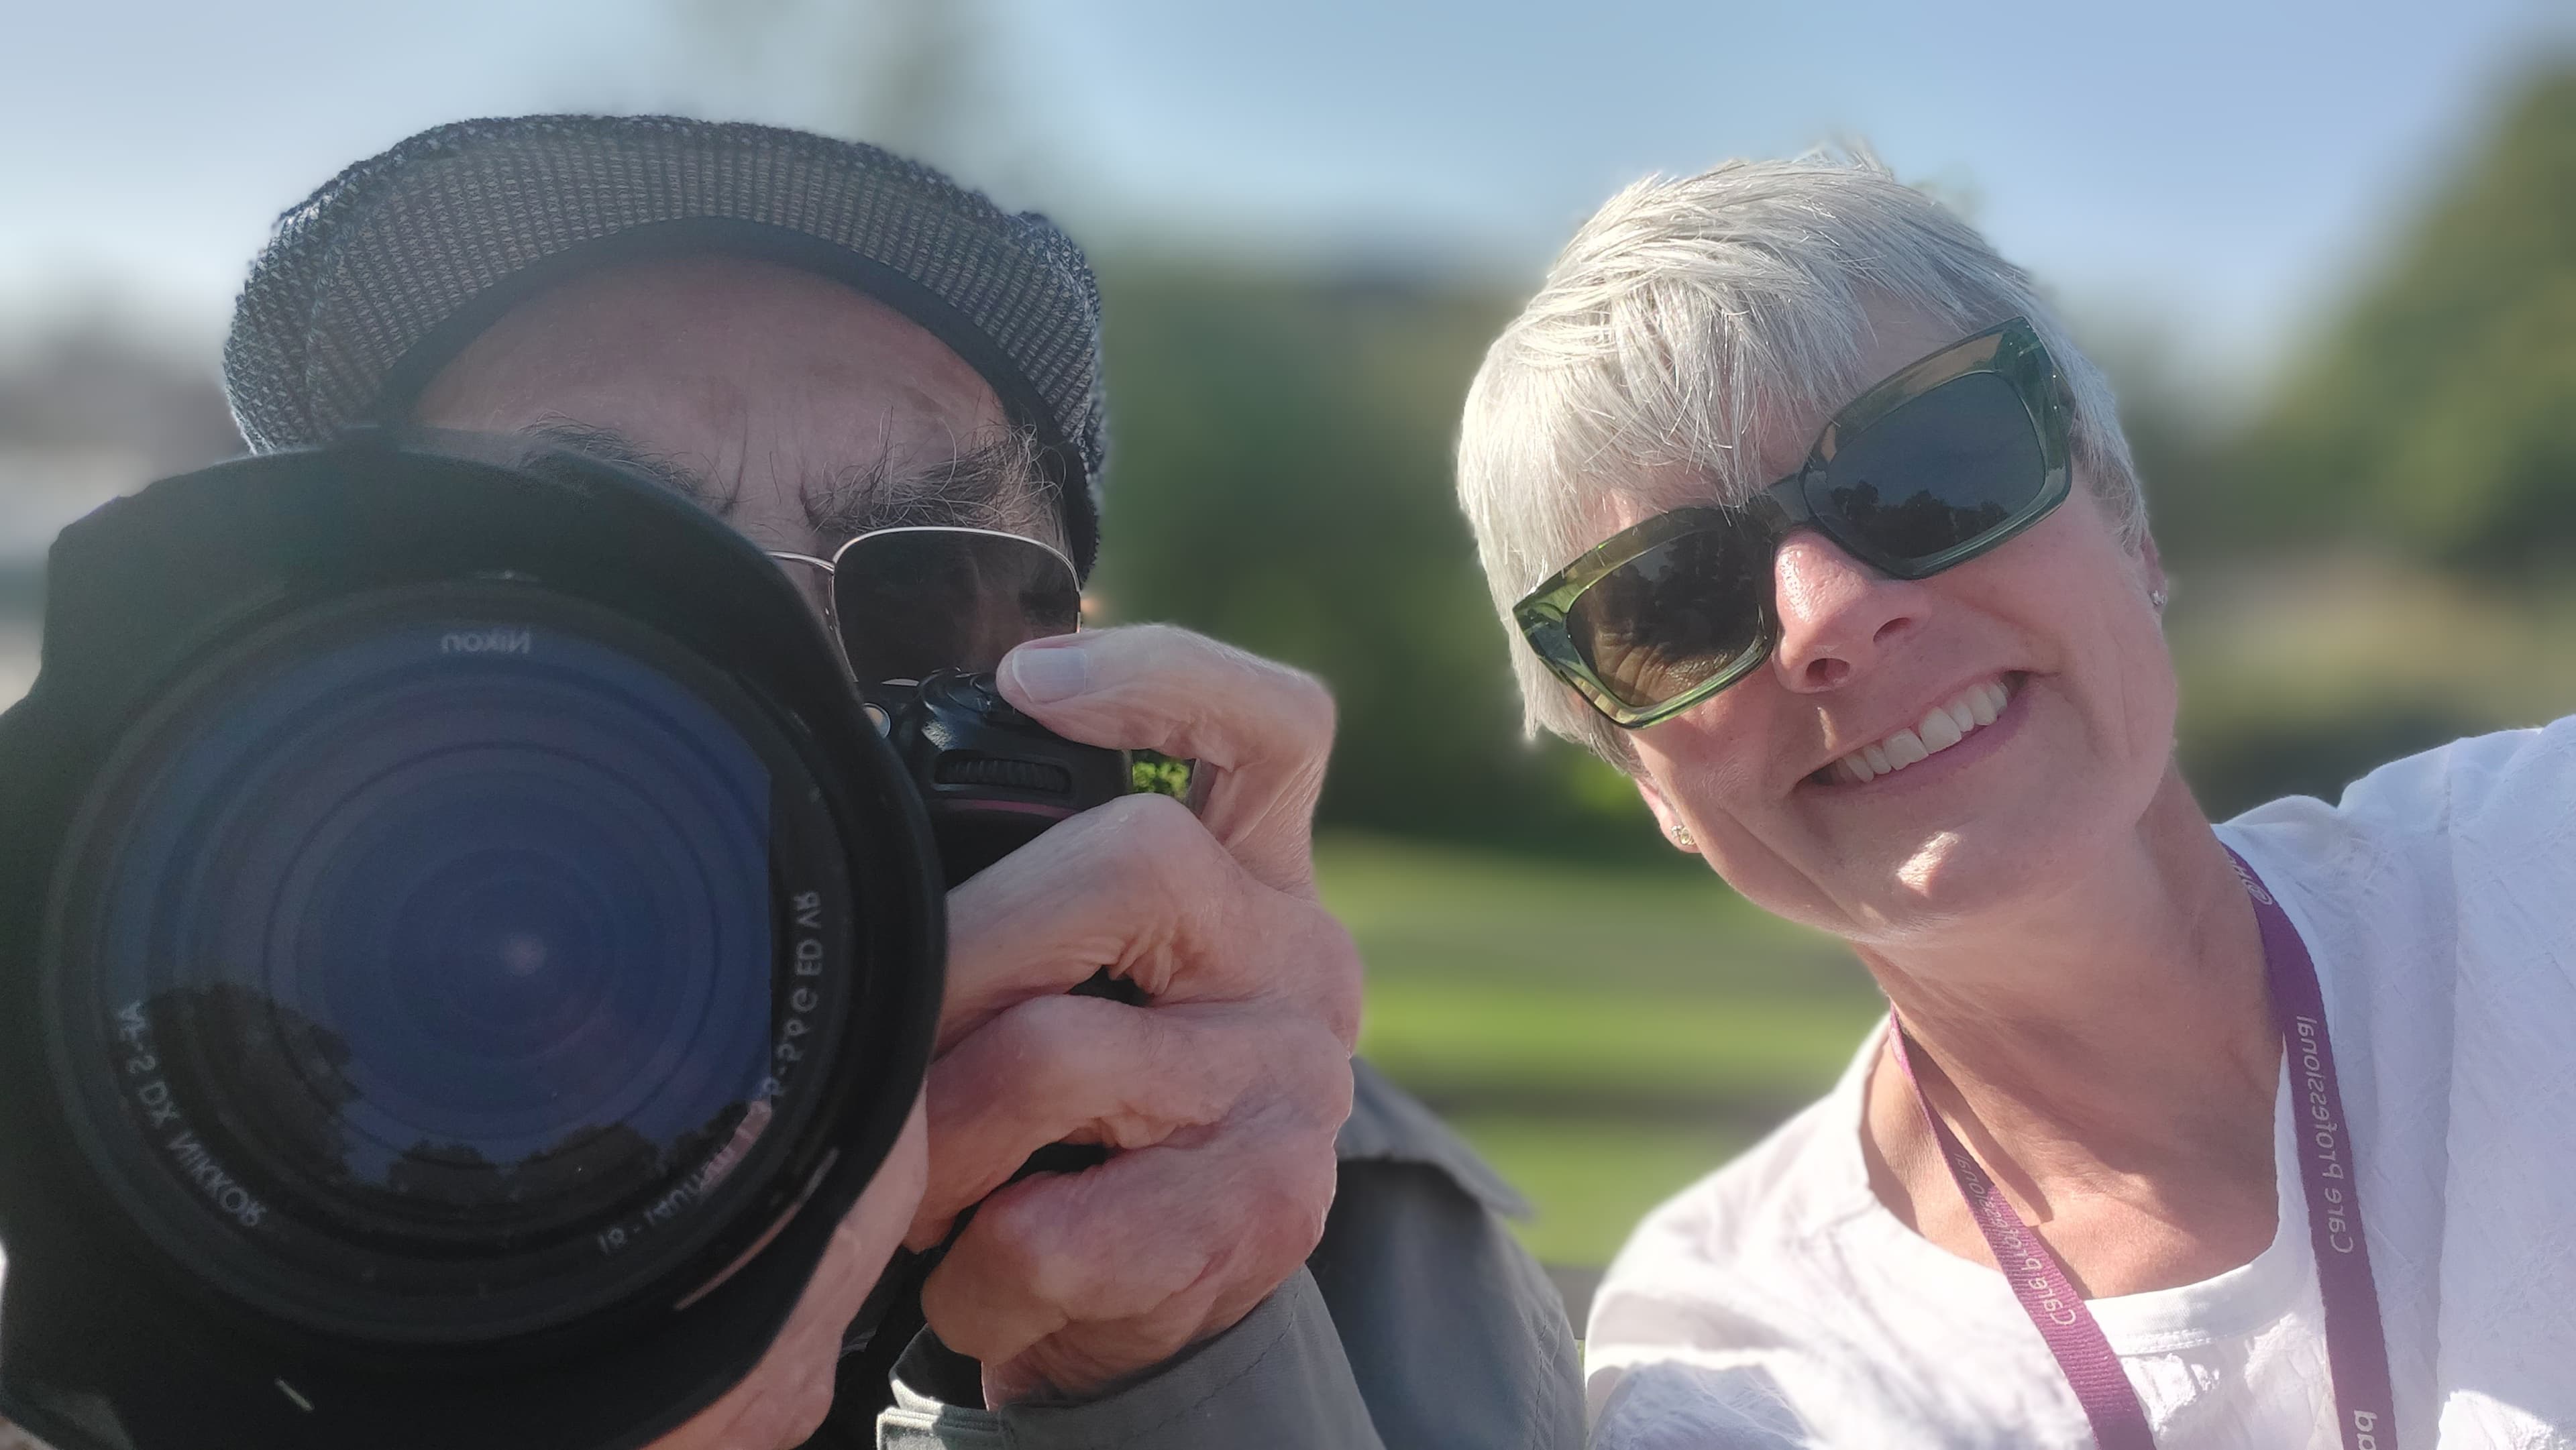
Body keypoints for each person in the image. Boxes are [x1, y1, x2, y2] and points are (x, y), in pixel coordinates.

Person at [203, 115, 1579, 1450]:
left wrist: (1159, 1373)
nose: (785, 693)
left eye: (923, 591)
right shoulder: (147, 1124)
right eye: (592, 578)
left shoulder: (1321, 1220)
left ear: (1083, 688)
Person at [1453, 152, 2576, 1447]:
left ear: (2131, 523)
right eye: (1673, 604)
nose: (1830, 616)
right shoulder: (1741, 1369)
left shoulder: (2542, 863)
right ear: (1641, 773)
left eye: (1929, 467)